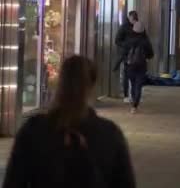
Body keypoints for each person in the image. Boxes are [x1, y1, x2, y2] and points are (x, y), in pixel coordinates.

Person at [3, 56, 135, 187]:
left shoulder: (33, 130)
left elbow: (13, 182)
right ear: (92, 87)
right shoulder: (109, 134)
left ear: (60, 83)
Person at [123, 21, 154, 114]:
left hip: (130, 66)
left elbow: (124, 52)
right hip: (141, 66)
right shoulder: (145, 41)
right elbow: (151, 54)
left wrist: (127, 60)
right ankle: (135, 105)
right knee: (138, 86)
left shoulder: (129, 40)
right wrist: (146, 58)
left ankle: (133, 102)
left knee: (133, 84)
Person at [114, 10, 138, 103]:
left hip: (136, 54)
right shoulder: (124, 27)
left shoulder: (138, 26)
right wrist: (126, 45)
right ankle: (126, 95)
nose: (134, 20)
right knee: (127, 75)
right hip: (127, 54)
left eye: (135, 19)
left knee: (134, 75)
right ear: (129, 18)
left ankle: (133, 95)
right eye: (132, 19)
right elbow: (117, 40)